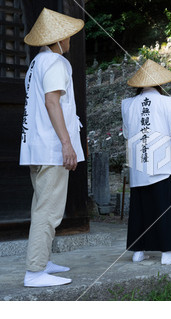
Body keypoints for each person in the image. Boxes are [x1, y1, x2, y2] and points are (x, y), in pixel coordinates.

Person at [19, 8, 85, 287]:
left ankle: (43, 261)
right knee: (49, 210)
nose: (71, 39)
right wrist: (66, 143)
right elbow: (51, 102)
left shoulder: (38, 63)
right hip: (51, 147)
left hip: (36, 146)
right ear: (59, 39)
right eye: (68, 35)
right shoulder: (56, 63)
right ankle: (34, 271)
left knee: (42, 204)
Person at [122, 59, 171, 265]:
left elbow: (126, 134)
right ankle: (167, 253)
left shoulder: (128, 104)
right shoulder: (169, 103)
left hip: (138, 164)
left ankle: (138, 251)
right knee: (164, 206)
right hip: (162, 162)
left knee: (140, 207)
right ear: (160, 83)